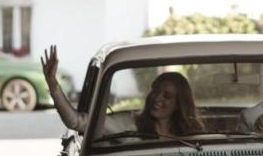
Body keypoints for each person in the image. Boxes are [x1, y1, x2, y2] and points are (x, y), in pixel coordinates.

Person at [42, 45, 204, 137]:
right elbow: (76, 121)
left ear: (178, 104)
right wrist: (53, 85)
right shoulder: (129, 123)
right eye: (155, 91)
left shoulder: (191, 132)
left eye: (167, 96)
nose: (157, 98)